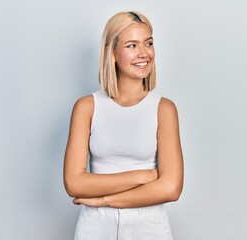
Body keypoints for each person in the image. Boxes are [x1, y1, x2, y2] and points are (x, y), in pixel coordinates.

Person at [63, 11, 184, 240]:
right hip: (95, 228)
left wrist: (105, 200)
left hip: (149, 227)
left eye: (148, 43)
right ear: (113, 53)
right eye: (132, 45)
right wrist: (144, 176)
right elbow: (74, 182)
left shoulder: (164, 109)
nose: (144, 53)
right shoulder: (87, 107)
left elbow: (171, 188)